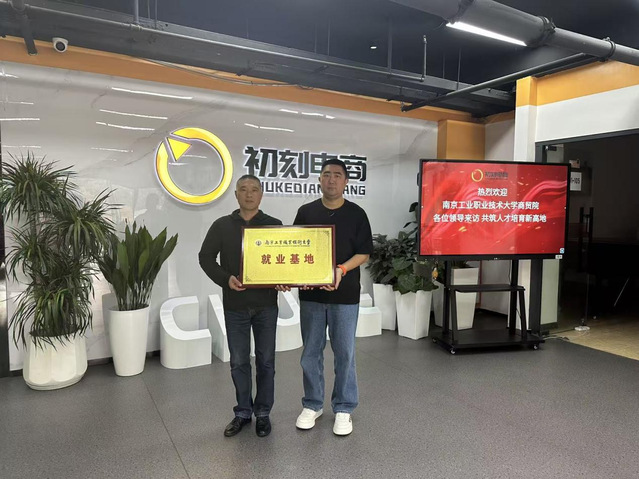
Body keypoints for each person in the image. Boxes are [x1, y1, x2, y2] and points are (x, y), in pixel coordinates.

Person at [293, 159, 373, 436]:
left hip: (345, 296)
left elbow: (364, 252)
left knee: (345, 353)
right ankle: (312, 404)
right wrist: (298, 275)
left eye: (337, 175)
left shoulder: (357, 214)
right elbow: (296, 249)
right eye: (326, 174)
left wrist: (341, 269)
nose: (331, 179)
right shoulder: (306, 212)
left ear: (346, 181)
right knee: (310, 353)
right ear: (319, 179)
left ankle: (344, 407)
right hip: (311, 296)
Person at [199, 174, 282, 438]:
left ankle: (263, 413)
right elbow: (205, 258)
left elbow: (282, 261)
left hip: (266, 305)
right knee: (238, 361)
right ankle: (243, 412)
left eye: (254, 189)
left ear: (261, 194)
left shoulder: (273, 225)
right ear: (236, 195)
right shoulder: (222, 225)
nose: (249, 194)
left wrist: (284, 279)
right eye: (243, 189)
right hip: (235, 306)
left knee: (266, 361)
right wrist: (226, 279)